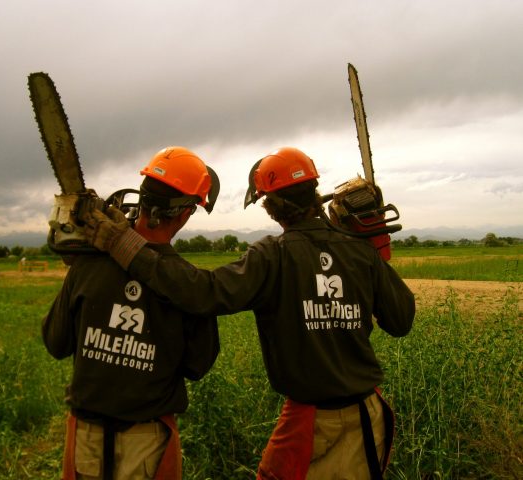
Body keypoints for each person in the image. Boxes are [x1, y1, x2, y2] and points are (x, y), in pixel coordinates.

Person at [84, 146, 416, 479]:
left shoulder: (273, 256)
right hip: (368, 416)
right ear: (315, 194)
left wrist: (123, 245)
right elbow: (401, 320)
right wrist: (371, 252)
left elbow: (204, 293)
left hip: (310, 423)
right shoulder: (358, 251)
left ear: (271, 207)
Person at [42, 146, 221, 480]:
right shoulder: (187, 284)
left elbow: (56, 341)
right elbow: (199, 364)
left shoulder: (88, 262)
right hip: (147, 441)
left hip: (86, 437)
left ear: (142, 196)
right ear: (185, 214)